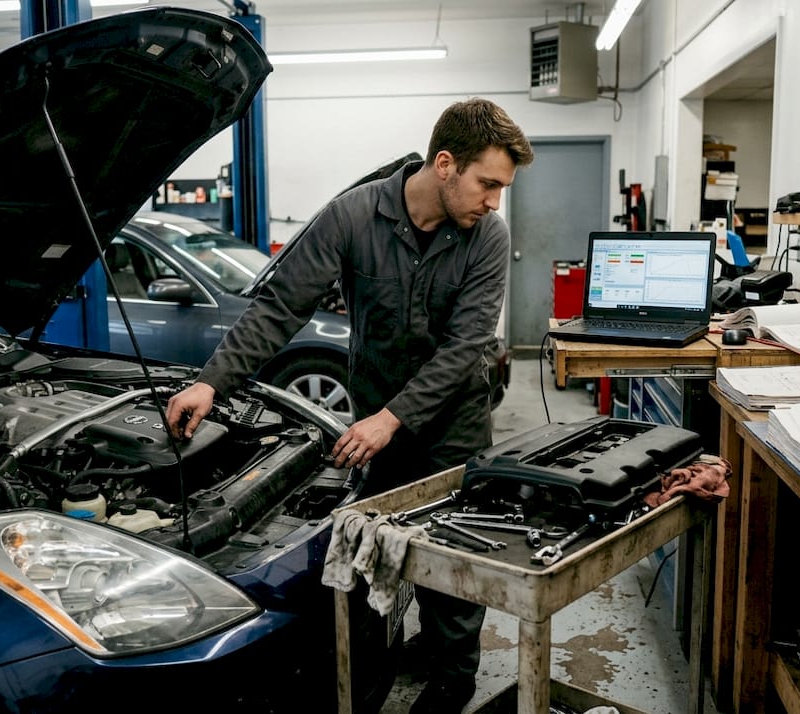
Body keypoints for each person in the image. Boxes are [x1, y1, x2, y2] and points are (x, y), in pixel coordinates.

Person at [165, 97, 534, 714]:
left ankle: (451, 680)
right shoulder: (351, 218)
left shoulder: (486, 238)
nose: (494, 200)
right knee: (372, 558)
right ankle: (375, 660)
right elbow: (280, 307)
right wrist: (212, 383)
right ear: (445, 164)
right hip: (377, 422)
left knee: (455, 564)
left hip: (452, 426)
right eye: (487, 183)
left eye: (500, 188)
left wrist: (391, 420)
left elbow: (465, 346)